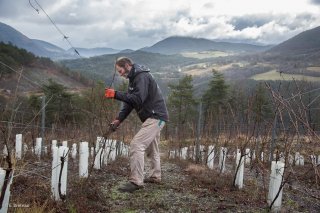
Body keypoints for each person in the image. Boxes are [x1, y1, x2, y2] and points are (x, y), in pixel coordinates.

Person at [105, 57, 169, 193]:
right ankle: (155, 176)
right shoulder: (134, 79)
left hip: (155, 117)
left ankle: (136, 182)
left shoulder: (141, 77)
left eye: (120, 70)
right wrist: (118, 119)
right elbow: (130, 103)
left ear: (128, 65)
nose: (120, 74)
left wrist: (115, 94)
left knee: (136, 144)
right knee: (152, 149)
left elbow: (138, 99)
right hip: (154, 117)